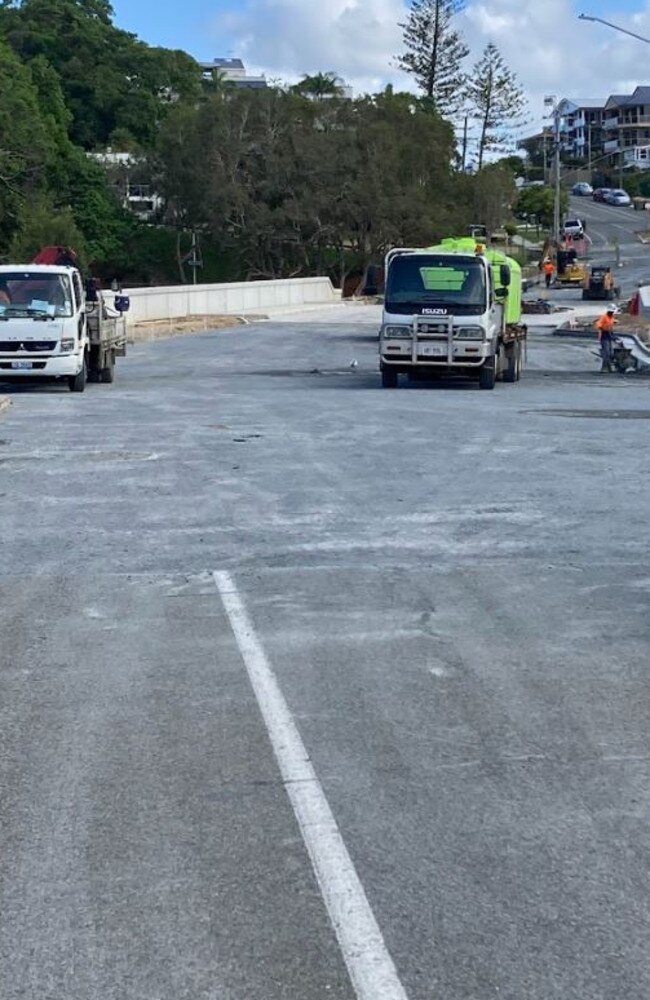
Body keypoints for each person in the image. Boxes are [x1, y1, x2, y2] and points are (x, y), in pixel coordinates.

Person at [595, 306, 617, 372]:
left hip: (609, 335)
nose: (611, 313)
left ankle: (609, 367)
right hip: (604, 335)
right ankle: (604, 368)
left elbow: (611, 325)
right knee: (606, 352)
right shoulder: (604, 317)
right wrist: (602, 329)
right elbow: (598, 324)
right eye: (611, 312)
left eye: (612, 312)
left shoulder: (611, 317)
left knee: (610, 352)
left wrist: (613, 335)